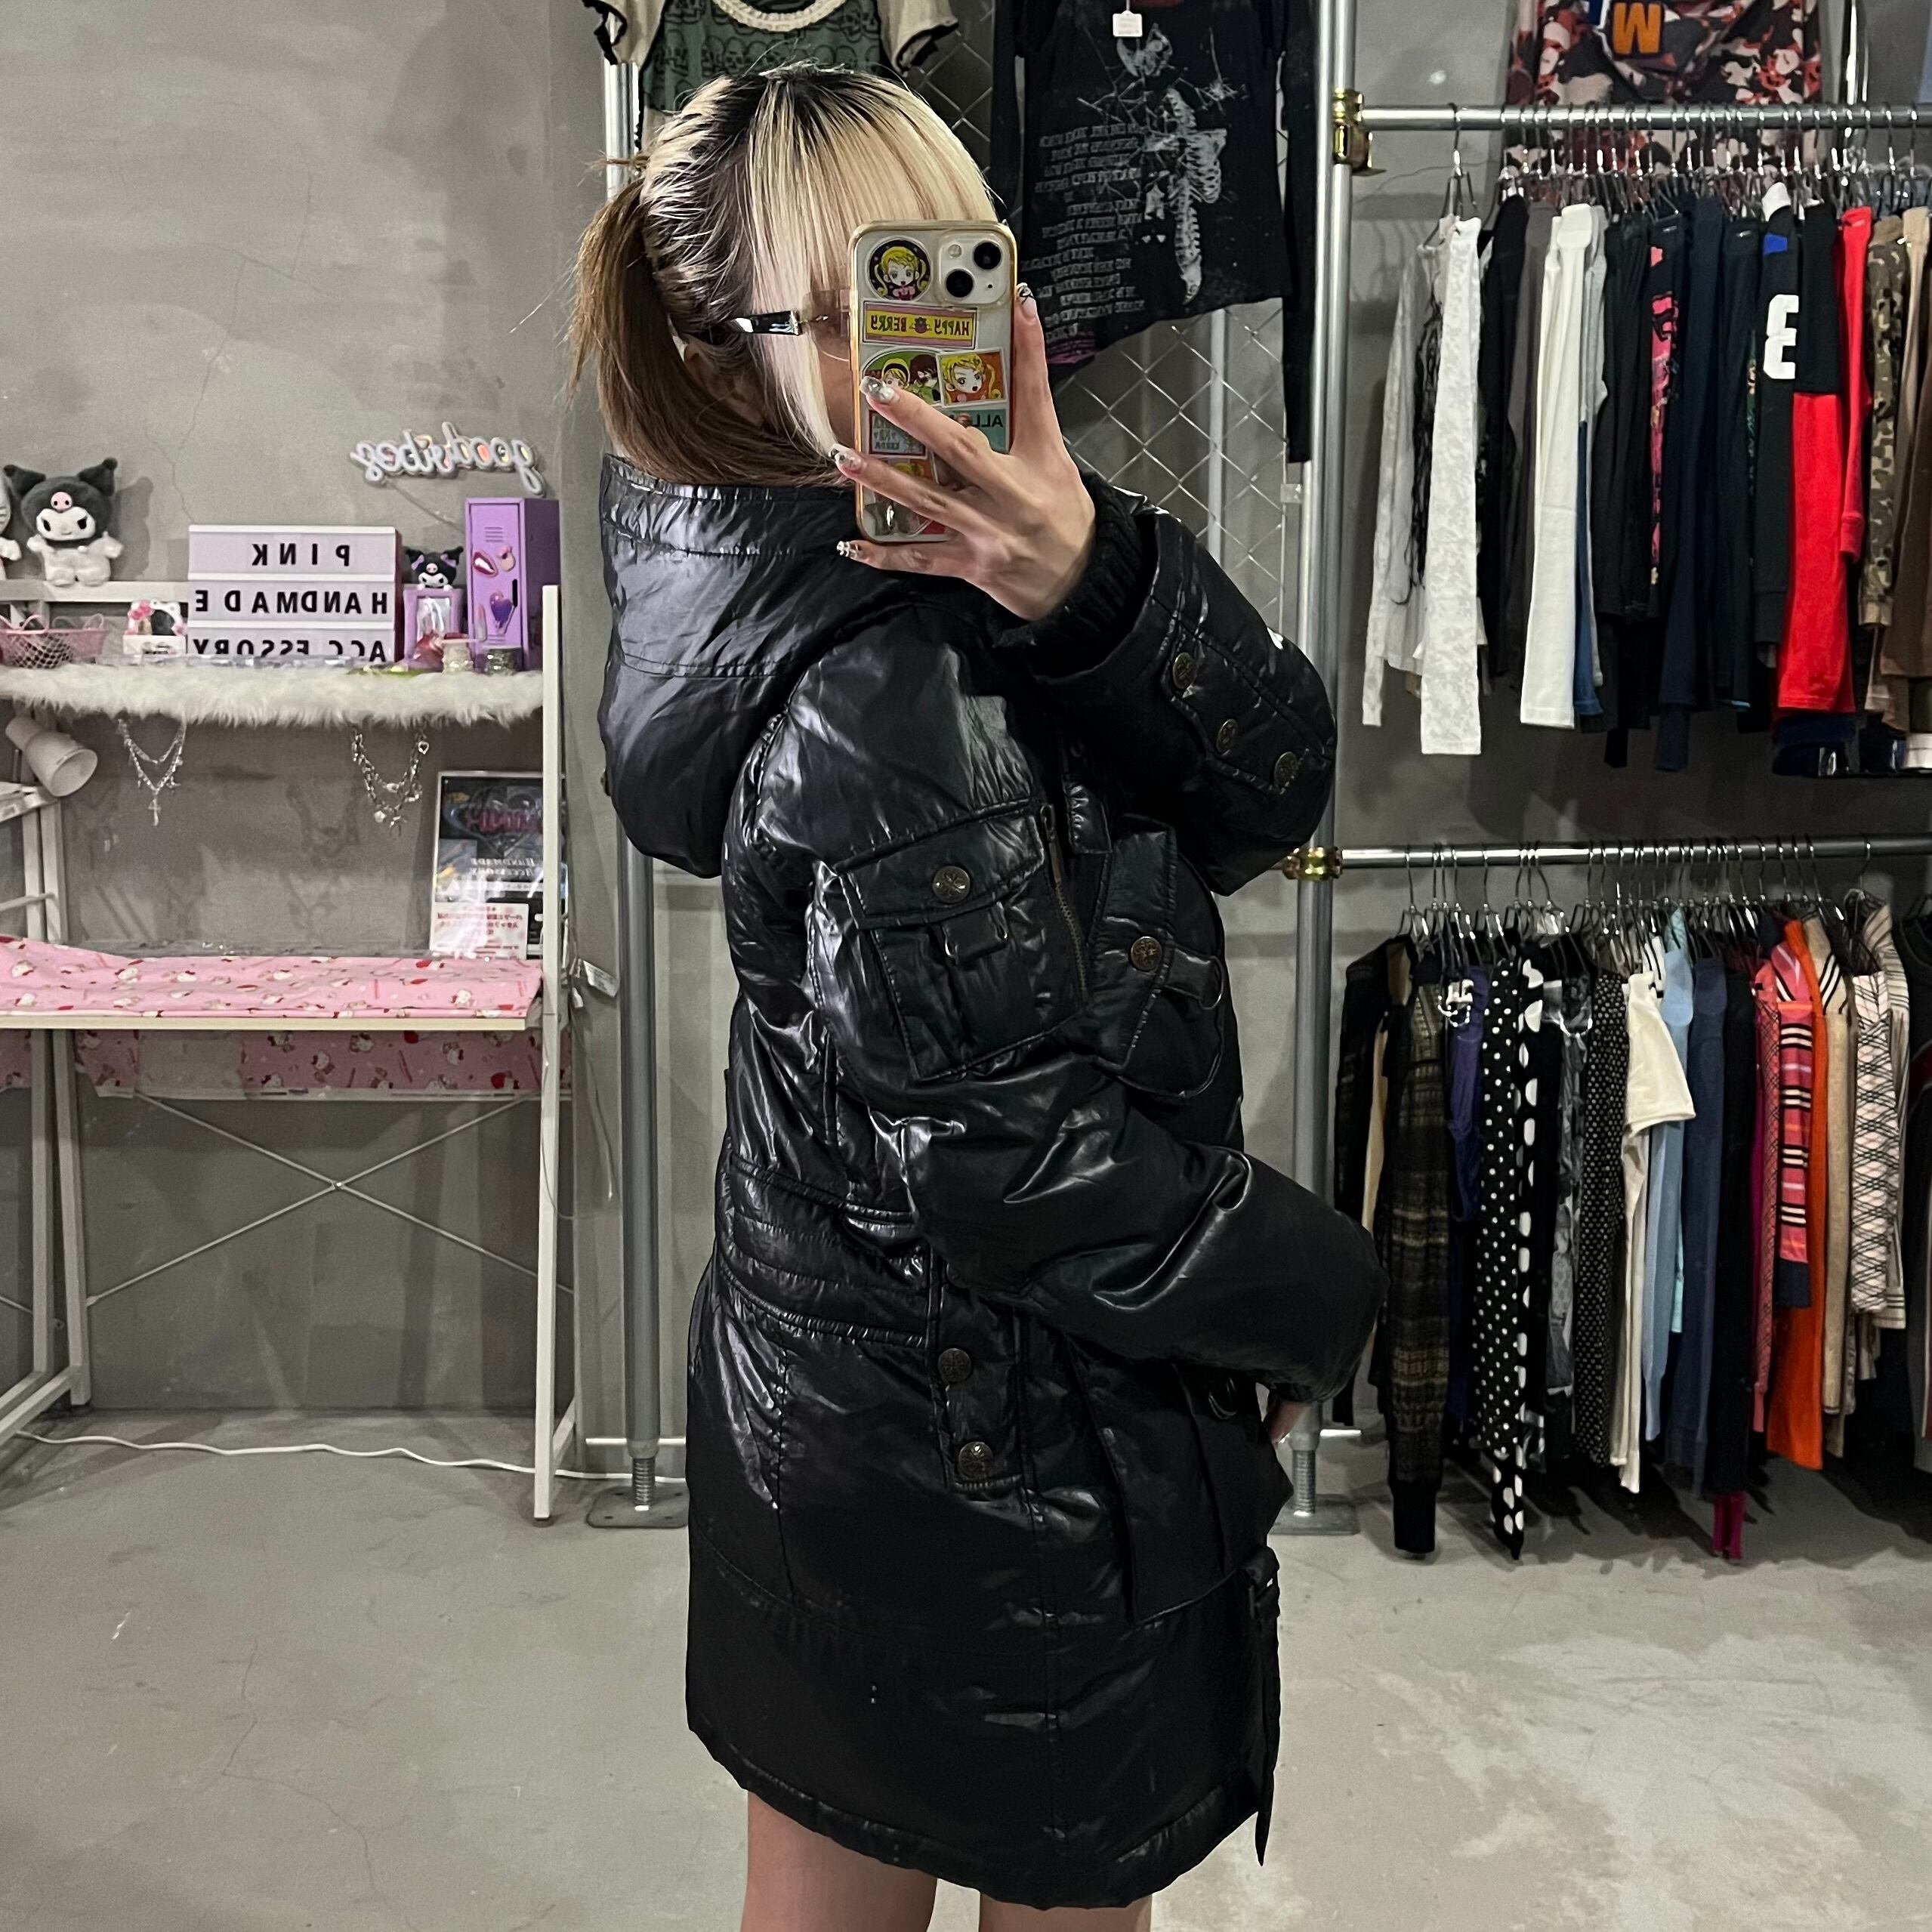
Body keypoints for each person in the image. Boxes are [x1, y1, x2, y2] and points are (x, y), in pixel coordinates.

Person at [571, 65, 1384, 1932]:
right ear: (718, 368)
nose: (917, 349)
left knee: (826, 1887)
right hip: (1004, 1444)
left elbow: (1269, 790)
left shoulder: (893, 578)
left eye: (940, 269)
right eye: (846, 309)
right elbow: (1020, 1159)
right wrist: (1310, 1297)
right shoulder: (889, 678)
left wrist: (1091, 578)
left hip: (844, 1392)